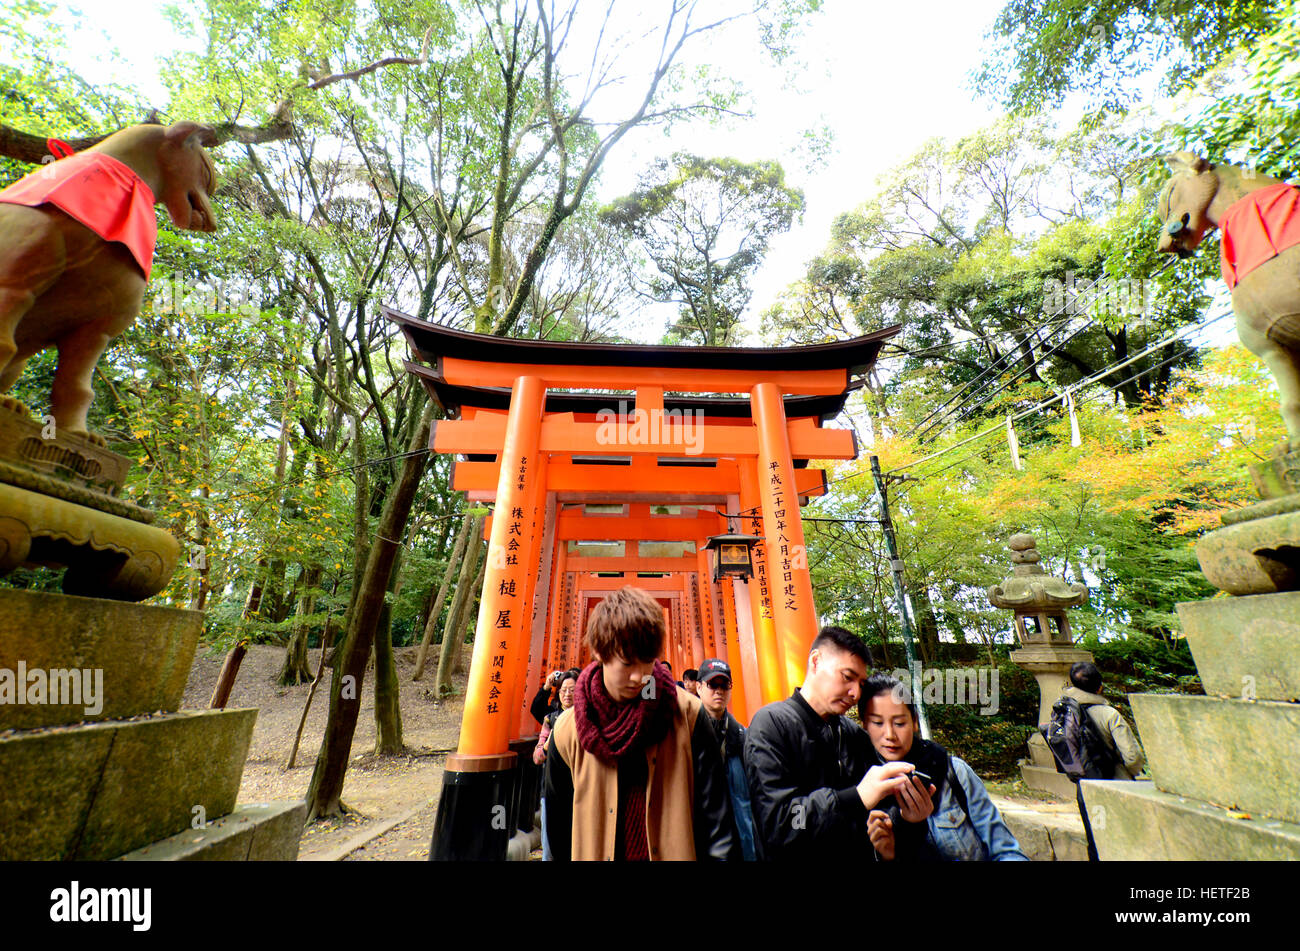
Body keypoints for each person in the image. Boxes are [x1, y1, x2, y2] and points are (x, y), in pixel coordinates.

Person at [543, 586, 739, 861]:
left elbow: (717, 822)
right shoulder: (568, 731)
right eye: (627, 663)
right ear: (600, 653)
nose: (639, 676)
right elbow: (560, 829)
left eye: (647, 661)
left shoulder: (687, 715)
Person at [743, 625, 925, 862]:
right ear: (816, 661)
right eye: (847, 677)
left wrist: (907, 817)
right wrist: (853, 798)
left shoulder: (853, 735)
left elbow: (883, 808)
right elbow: (781, 824)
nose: (855, 694)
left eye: (861, 683)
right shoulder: (771, 725)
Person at [858, 674, 1028, 862]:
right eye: (877, 723)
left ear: (914, 722)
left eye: (899, 723)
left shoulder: (954, 772)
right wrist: (889, 856)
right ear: (864, 724)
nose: (889, 734)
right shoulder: (862, 791)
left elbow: (1006, 851)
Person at [1065, 661, 1146, 861]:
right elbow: (1133, 757)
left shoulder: (1065, 714)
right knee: (1125, 839)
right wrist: (1131, 773)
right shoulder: (1110, 715)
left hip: (1084, 786)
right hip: (1115, 784)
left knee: (1095, 840)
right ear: (1100, 686)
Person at [696, 658, 757, 860]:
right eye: (712, 684)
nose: (719, 691)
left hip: (740, 839)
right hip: (704, 839)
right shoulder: (688, 736)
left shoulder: (742, 737)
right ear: (698, 687)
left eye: (725, 685)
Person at [533, 671, 578, 861]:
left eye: (572, 690)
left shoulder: (586, 719)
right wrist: (547, 743)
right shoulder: (551, 719)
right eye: (563, 691)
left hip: (578, 792)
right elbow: (537, 757)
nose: (567, 694)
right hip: (551, 790)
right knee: (550, 847)